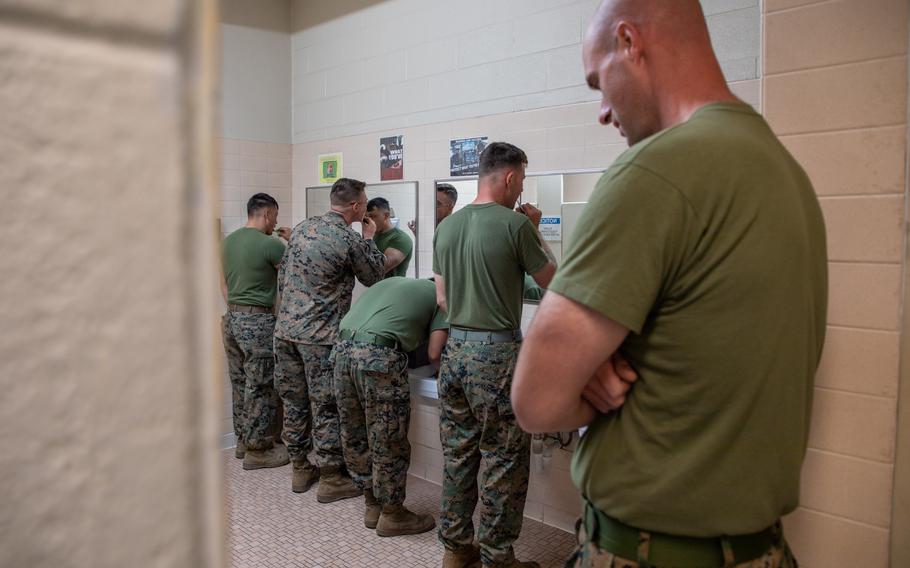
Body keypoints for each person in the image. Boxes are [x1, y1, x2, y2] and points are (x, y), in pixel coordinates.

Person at [511, 2, 828, 567]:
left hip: (655, 549)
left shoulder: (657, 170)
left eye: (597, 83)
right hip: (759, 547)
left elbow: (534, 400)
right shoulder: (784, 172)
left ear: (631, 41)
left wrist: (584, 381)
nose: (602, 112)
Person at [433, 142, 557, 568]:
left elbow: (444, 299)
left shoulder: (446, 227)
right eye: (521, 180)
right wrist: (535, 227)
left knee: (459, 453)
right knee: (504, 458)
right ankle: (497, 557)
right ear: (509, 178)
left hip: (455, 353)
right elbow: (554, 282)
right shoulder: (515, 225)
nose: (521, 188)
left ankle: (455, 550)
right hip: (496, 358)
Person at [274, 178, 386, 500]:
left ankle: (299, 467)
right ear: (355, 207)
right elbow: (374, 275)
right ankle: (331, 477)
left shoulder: (303, 228)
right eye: (364, 203)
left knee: (294, 402)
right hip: (319, 338)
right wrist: (369, 238)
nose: (365, 207)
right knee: (325, 406)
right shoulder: (347, 238)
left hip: (285, 333)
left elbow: (284, 277)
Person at [332, 277, 448, 537]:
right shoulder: (442, 297)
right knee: (387, 437)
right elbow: (434, 353)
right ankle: (393, 515)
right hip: (378, 356)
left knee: (355, 433)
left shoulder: (398, 283)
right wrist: (443, 376)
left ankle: (372, 505)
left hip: (341, 351)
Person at [221, 192, 290, 470]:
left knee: (241, 383)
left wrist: (238, 311)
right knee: (260, 385)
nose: (275, 222)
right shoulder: (271, 244)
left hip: (231, 319)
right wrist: (292, 238)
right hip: (257, 323)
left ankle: (243, 441)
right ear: (266, 213)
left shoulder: (227, 243)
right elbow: (294, 277)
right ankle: (258, 450)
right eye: (274, 216)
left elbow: (223, 286)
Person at [366, 197, 413, 278]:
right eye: (367, 217)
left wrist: (368, 238)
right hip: (377, 289)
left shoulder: (400, 239)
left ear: (386, 215)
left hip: (394, 289)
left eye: (372, 216)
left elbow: (380, 268)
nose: (369, 221)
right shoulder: (373, 235)